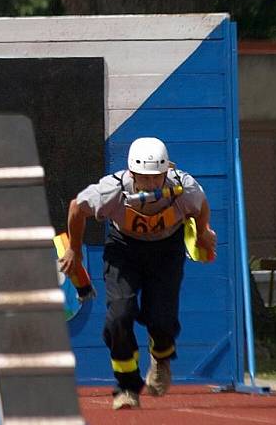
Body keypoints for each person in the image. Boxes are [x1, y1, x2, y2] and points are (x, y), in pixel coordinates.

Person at [58, 137, 217, 410]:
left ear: (167, 171)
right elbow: (76, 207)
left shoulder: (183, 188)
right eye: (145, 178)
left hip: (166, 251)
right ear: (132, 174)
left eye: (157, 177)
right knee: (119, 315)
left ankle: (161, 358)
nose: (153, 184)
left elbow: (200, 206)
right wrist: (74, 250)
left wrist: (202, 233)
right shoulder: (113, 189)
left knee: (163, 319)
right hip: (124, 251)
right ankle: (126, 386)